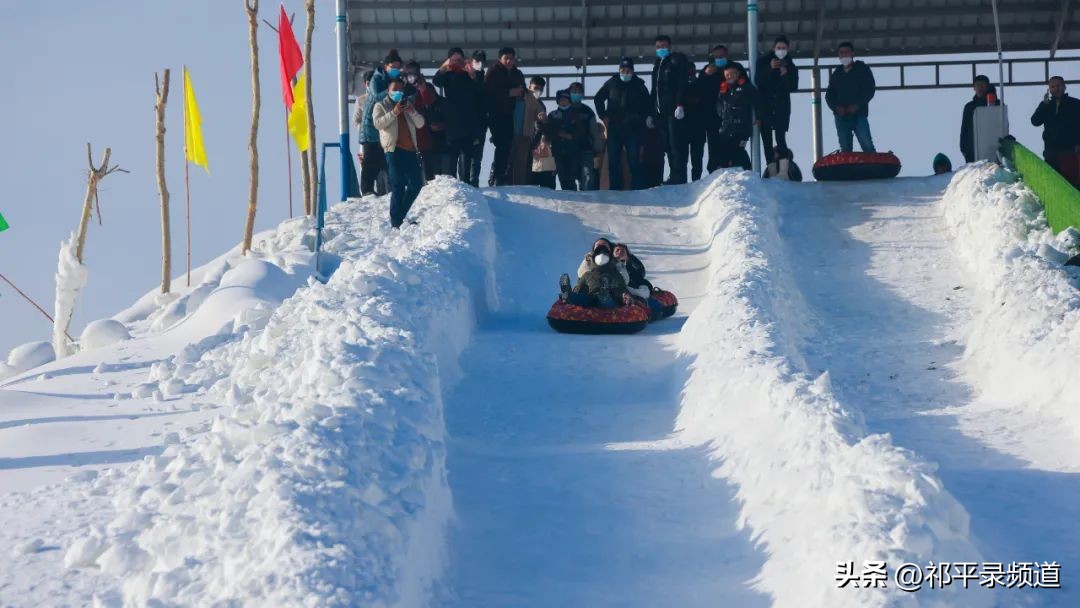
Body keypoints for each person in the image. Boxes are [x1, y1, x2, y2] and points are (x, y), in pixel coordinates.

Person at [372, 79, 426, 228]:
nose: (398, 92)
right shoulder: (380, 105)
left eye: (401, 90)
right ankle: (396, 221)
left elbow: (420, 123)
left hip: (410, 150)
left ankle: (400, 215)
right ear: (388, 90)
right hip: (393, 150)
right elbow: (377, 124)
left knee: (417, 183)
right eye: (395, 89)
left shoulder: (407, 105)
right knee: (398, 184)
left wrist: (412, 111)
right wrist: (394, 112)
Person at [594, 57, 652, 190]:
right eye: (623, 70)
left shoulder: (639, 85)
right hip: (614, 128)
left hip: (633, 129)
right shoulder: (612, 83)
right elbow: (598, 98)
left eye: (628, 70)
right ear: (619, 70)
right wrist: (603, 116)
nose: (625, 73)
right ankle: (615, 191)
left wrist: (643, 119)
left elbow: (648, 105)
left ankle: (636, 191)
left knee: (634, 162)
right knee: (613, 162)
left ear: (632, 71)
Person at [433, 48, 486, 186]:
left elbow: (480, 86)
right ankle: (452, 185)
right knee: (452, 155)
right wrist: (444, 67)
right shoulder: (448, 74)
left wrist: (472, 73)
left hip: (469, 120)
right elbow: (436, 81)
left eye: (460, 60)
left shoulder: (471, 73)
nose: (458, 63)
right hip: (453, 121)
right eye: (454, 60)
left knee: (467, 155)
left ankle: (466, 183)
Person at [360, 52, 403, 195]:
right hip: (370, 124)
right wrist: (390, 91)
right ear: (386, 67)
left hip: (386, 124)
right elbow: (377, 96)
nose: (396, 70)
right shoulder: (376, 79)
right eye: (393, 67)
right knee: (369, 160)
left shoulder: (396, 80)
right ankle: (366, 190)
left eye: (398, 67)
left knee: (385, 158)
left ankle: (390, 189)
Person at [651, 35, 692, 184]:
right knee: (666, 144)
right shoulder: (657, 64)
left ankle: (679, 175)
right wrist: (652, 112)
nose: (661, 49)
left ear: (669, 46)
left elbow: (682, 82)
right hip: (660, 112)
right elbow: (654, 90)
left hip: (673, 110)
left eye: (664, 45)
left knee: (676, 143)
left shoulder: (676, 60)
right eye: (658, 46)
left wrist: (680, 104)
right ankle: (673, 174)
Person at [755, 35, 799, 174]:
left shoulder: (790, 66)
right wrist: (770, 69)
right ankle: (772, 171)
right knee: (766, 139)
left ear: (788, 49)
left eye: (784, 48)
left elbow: (793, 86)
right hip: (765, 106)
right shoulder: (763, 62)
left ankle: (784, 172)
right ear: (774, 48)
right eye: (779, 48)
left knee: (781, 138)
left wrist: (785, 74)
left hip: (781, 107)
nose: (781, 50)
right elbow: (758, 81)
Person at [485, 47, 527, 186]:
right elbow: (489, 91)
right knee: (501, 144)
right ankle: (497, 175)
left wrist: (521, 92)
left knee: (507, 145)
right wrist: (509, 92)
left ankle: (500, 174)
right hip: (496, 113)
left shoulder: (517, 73)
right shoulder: (493, 72)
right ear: (500, 59)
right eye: (506, 58)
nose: (509, 61)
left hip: (510, 114)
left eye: (511, 58)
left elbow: (523, 88)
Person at [825, 42, 876, 153]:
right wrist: (836, 108)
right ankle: (847, 170)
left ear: (853, 53)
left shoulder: (862, 69)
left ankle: (874, 168)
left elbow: (869, 89)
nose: (844, 55)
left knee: (867, 144)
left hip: (859, 114)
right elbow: (829, 95)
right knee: (845, 148)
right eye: (841, 53)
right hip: (841, 117)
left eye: (846, 52)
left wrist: (857, 105)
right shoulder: (837, 73)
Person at [544, 86, 598, 191]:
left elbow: (581, 130)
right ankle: (567, 194)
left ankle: (577, 195)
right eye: (561, 100)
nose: (563, 102)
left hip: (573, 150)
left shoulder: (576, 115)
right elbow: (548, 130)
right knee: (562, 174)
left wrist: (571, 136)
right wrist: (556, 133)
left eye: (565, 100)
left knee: (574, 173)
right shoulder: (553, 115)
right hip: (558, 149)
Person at [1030, 76, 1080, 174]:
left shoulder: (1075, 104)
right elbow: (1035, 121)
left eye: (1058, 85)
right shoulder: (1046, 105)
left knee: (1071, 182)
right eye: (1052, 86)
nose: (1056, 88)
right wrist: (1043, 105)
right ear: (1049, 89)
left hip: (1069, 150)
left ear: (1064, 87)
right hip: (1050, 151)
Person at [560, 241, 632, 308]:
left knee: (606, 300)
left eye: (604, 254)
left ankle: (604, 295)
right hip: (591, 298)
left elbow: (622, 288)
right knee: (584, 298)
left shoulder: (615, 273)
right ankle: (567, 294)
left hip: (610, 300)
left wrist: (625, 295)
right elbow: (579, 288)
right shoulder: (588, 274)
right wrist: (574, 292)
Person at [714, 63, 757, 170]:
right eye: (727, 75)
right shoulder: (723, 90)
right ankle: (724, 172)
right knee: (723, 150)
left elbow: (757, 103)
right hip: (726, 127)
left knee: (738, 150)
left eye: (732, 74)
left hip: (741, 127)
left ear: (738, 74)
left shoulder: (746, 88)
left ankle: (746, 171)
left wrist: (759, 117)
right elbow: (719, 107)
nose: (730, 77)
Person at [695, 45, 729, 174]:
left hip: (729, 114)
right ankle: (713, 169)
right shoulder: (707, 69)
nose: (719, 59)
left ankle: (727, 167)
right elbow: (698, 87)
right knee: (713, 143)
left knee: (728, 143)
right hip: (711, 114)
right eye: (716, 57)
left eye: (721, 56)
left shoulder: (734, 68)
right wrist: (705, 75)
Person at [509, 76, 548, 185]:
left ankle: (520, 187)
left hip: (526, 136)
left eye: (540, 89)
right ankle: (502, 185)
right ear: (529, 86)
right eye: (535, 88)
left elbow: (541, 115)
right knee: (506, 161)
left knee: (521, 164)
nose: (537, 91)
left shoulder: (532, 99)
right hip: (509, 134)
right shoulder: (510, 96)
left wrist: (542, 116)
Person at [959, 75, 999, 163]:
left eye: (983, 85)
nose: (980, 88)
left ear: (987, 87)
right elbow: (964, 131)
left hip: (994, 152)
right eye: (978, 85)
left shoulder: (997, 105)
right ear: (974, 87)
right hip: (973, 154)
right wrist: (965, 152)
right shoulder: (969, 107)